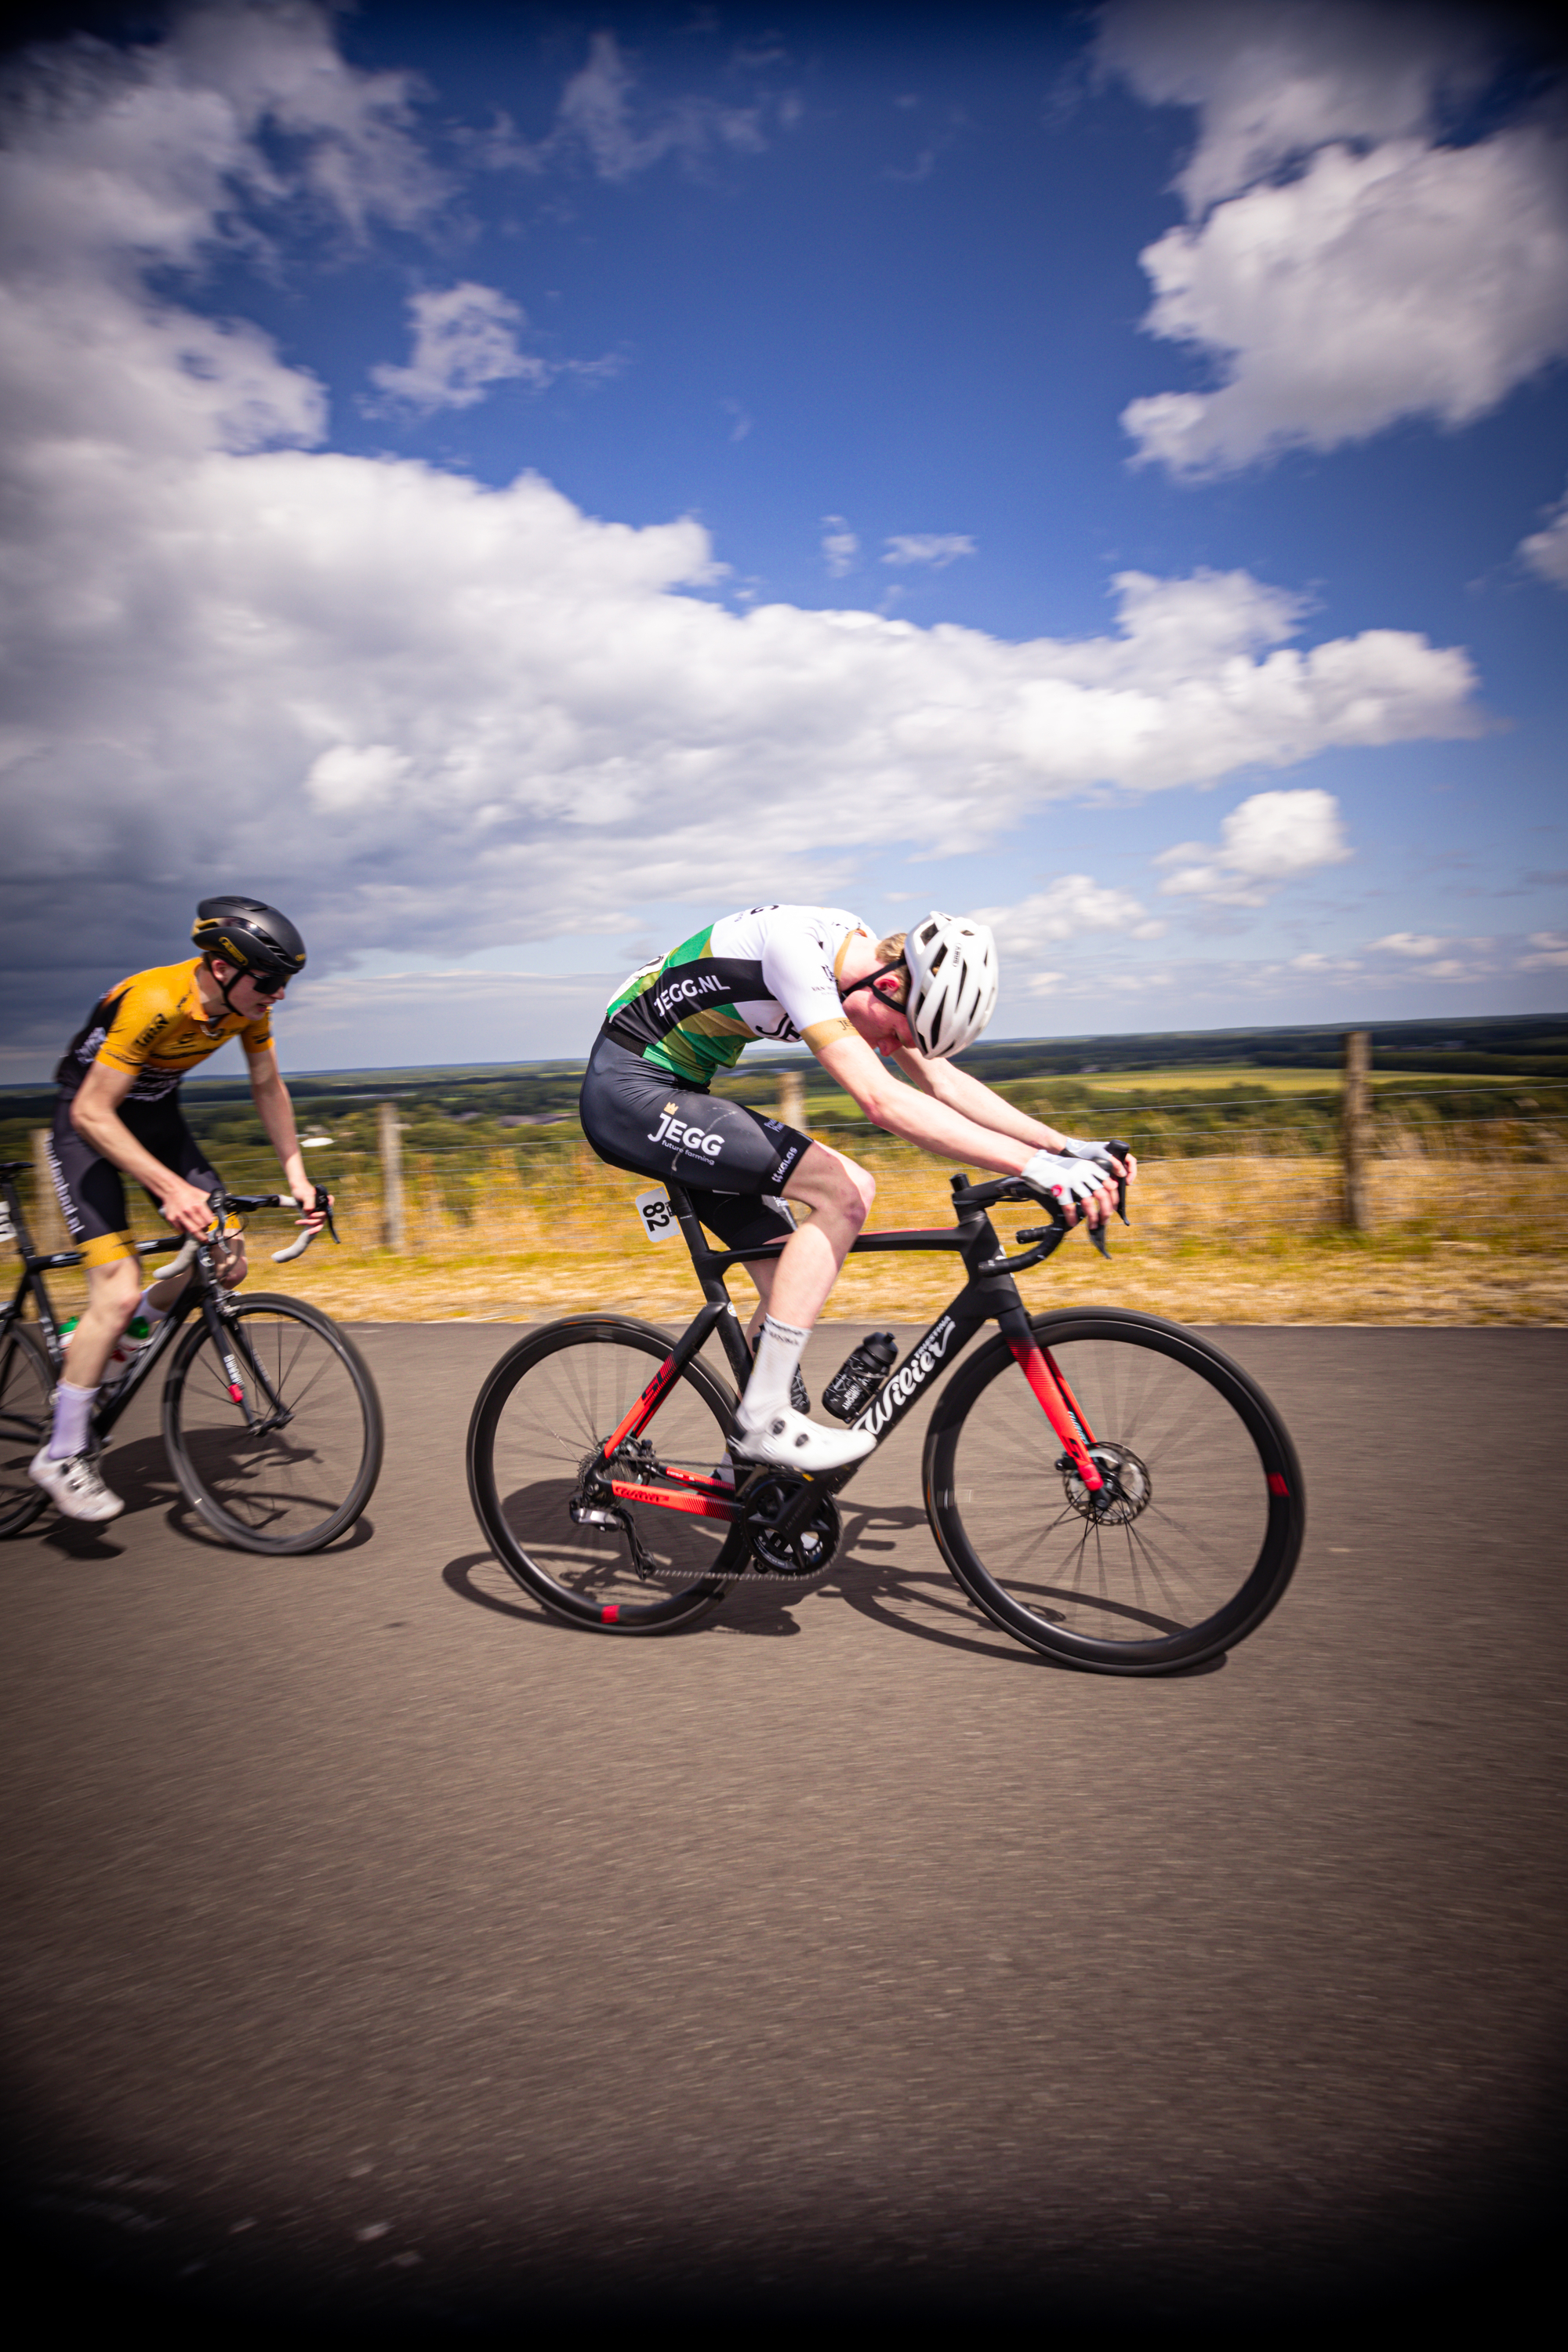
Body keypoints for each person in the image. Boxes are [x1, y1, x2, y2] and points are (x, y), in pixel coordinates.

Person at [580, 906, 1134, 1472]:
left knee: (787, 1283)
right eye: (897, 1034)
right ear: (890, 984)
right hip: (629, 1094)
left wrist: (1064, 1149)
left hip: (681, 1093)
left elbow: (941, 1082)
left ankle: (744, 1483)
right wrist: (1034, 1168)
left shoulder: (872, 973)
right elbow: (882, 1101)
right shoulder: (799, 952)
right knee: (845, 1191)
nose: (892, 1049)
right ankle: (763, 1421)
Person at [30, 896, 328, 1524]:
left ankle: (112, 1348)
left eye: (285, 985)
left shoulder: (244, 1009)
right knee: (115, 1289)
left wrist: (298, 1176)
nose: (277, 996)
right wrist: (170, 1189)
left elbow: (267, 1086)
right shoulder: (154, 1002)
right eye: (269, 983)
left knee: (226, 1260)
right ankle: (61, 1453)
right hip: (87, 1125)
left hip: (157, 1119)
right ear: (223, 968)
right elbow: (91, 1111)